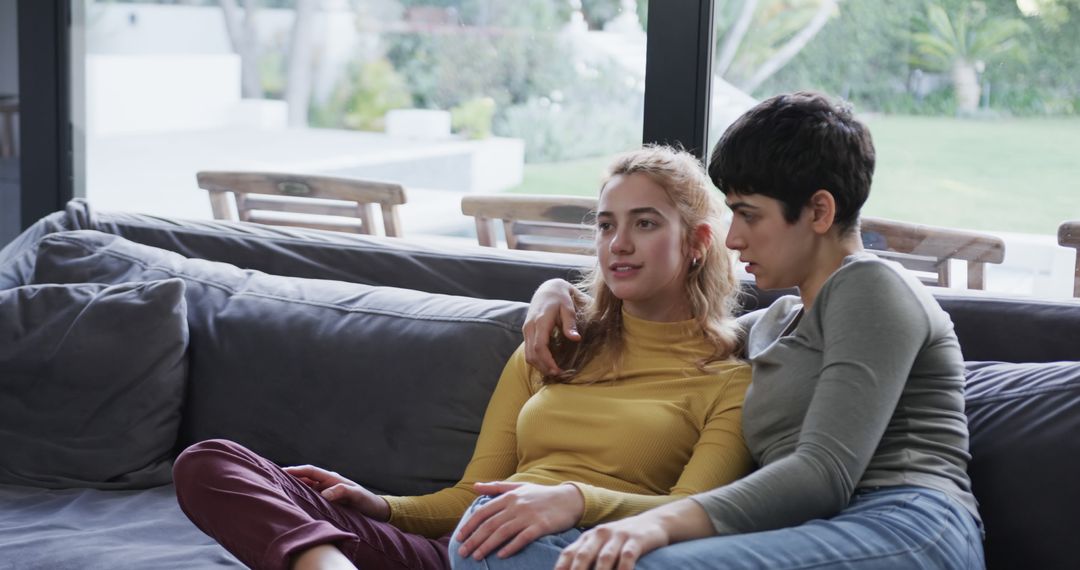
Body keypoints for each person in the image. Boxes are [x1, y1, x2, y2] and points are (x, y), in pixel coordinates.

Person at [172, 145, 755, 570]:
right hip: (456, 550)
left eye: (644, 224)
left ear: (699, 244)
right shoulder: (554, 345)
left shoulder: (729, 382)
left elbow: (692, 514)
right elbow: (470, 495)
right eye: (606, 226)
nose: (618, 244)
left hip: (552, 558)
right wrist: (379, 505)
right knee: (211, 463)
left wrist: (572, 502)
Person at [489, 91, 985, 570]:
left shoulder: (872, 285)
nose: (733, 237)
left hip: (909, 526)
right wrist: (559, 292)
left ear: (818, 212)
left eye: (749, 214)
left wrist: (653, 524)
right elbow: (674, 333)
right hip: (809, 532)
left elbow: (823, 474)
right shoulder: (772, 323)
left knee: (642, 560)